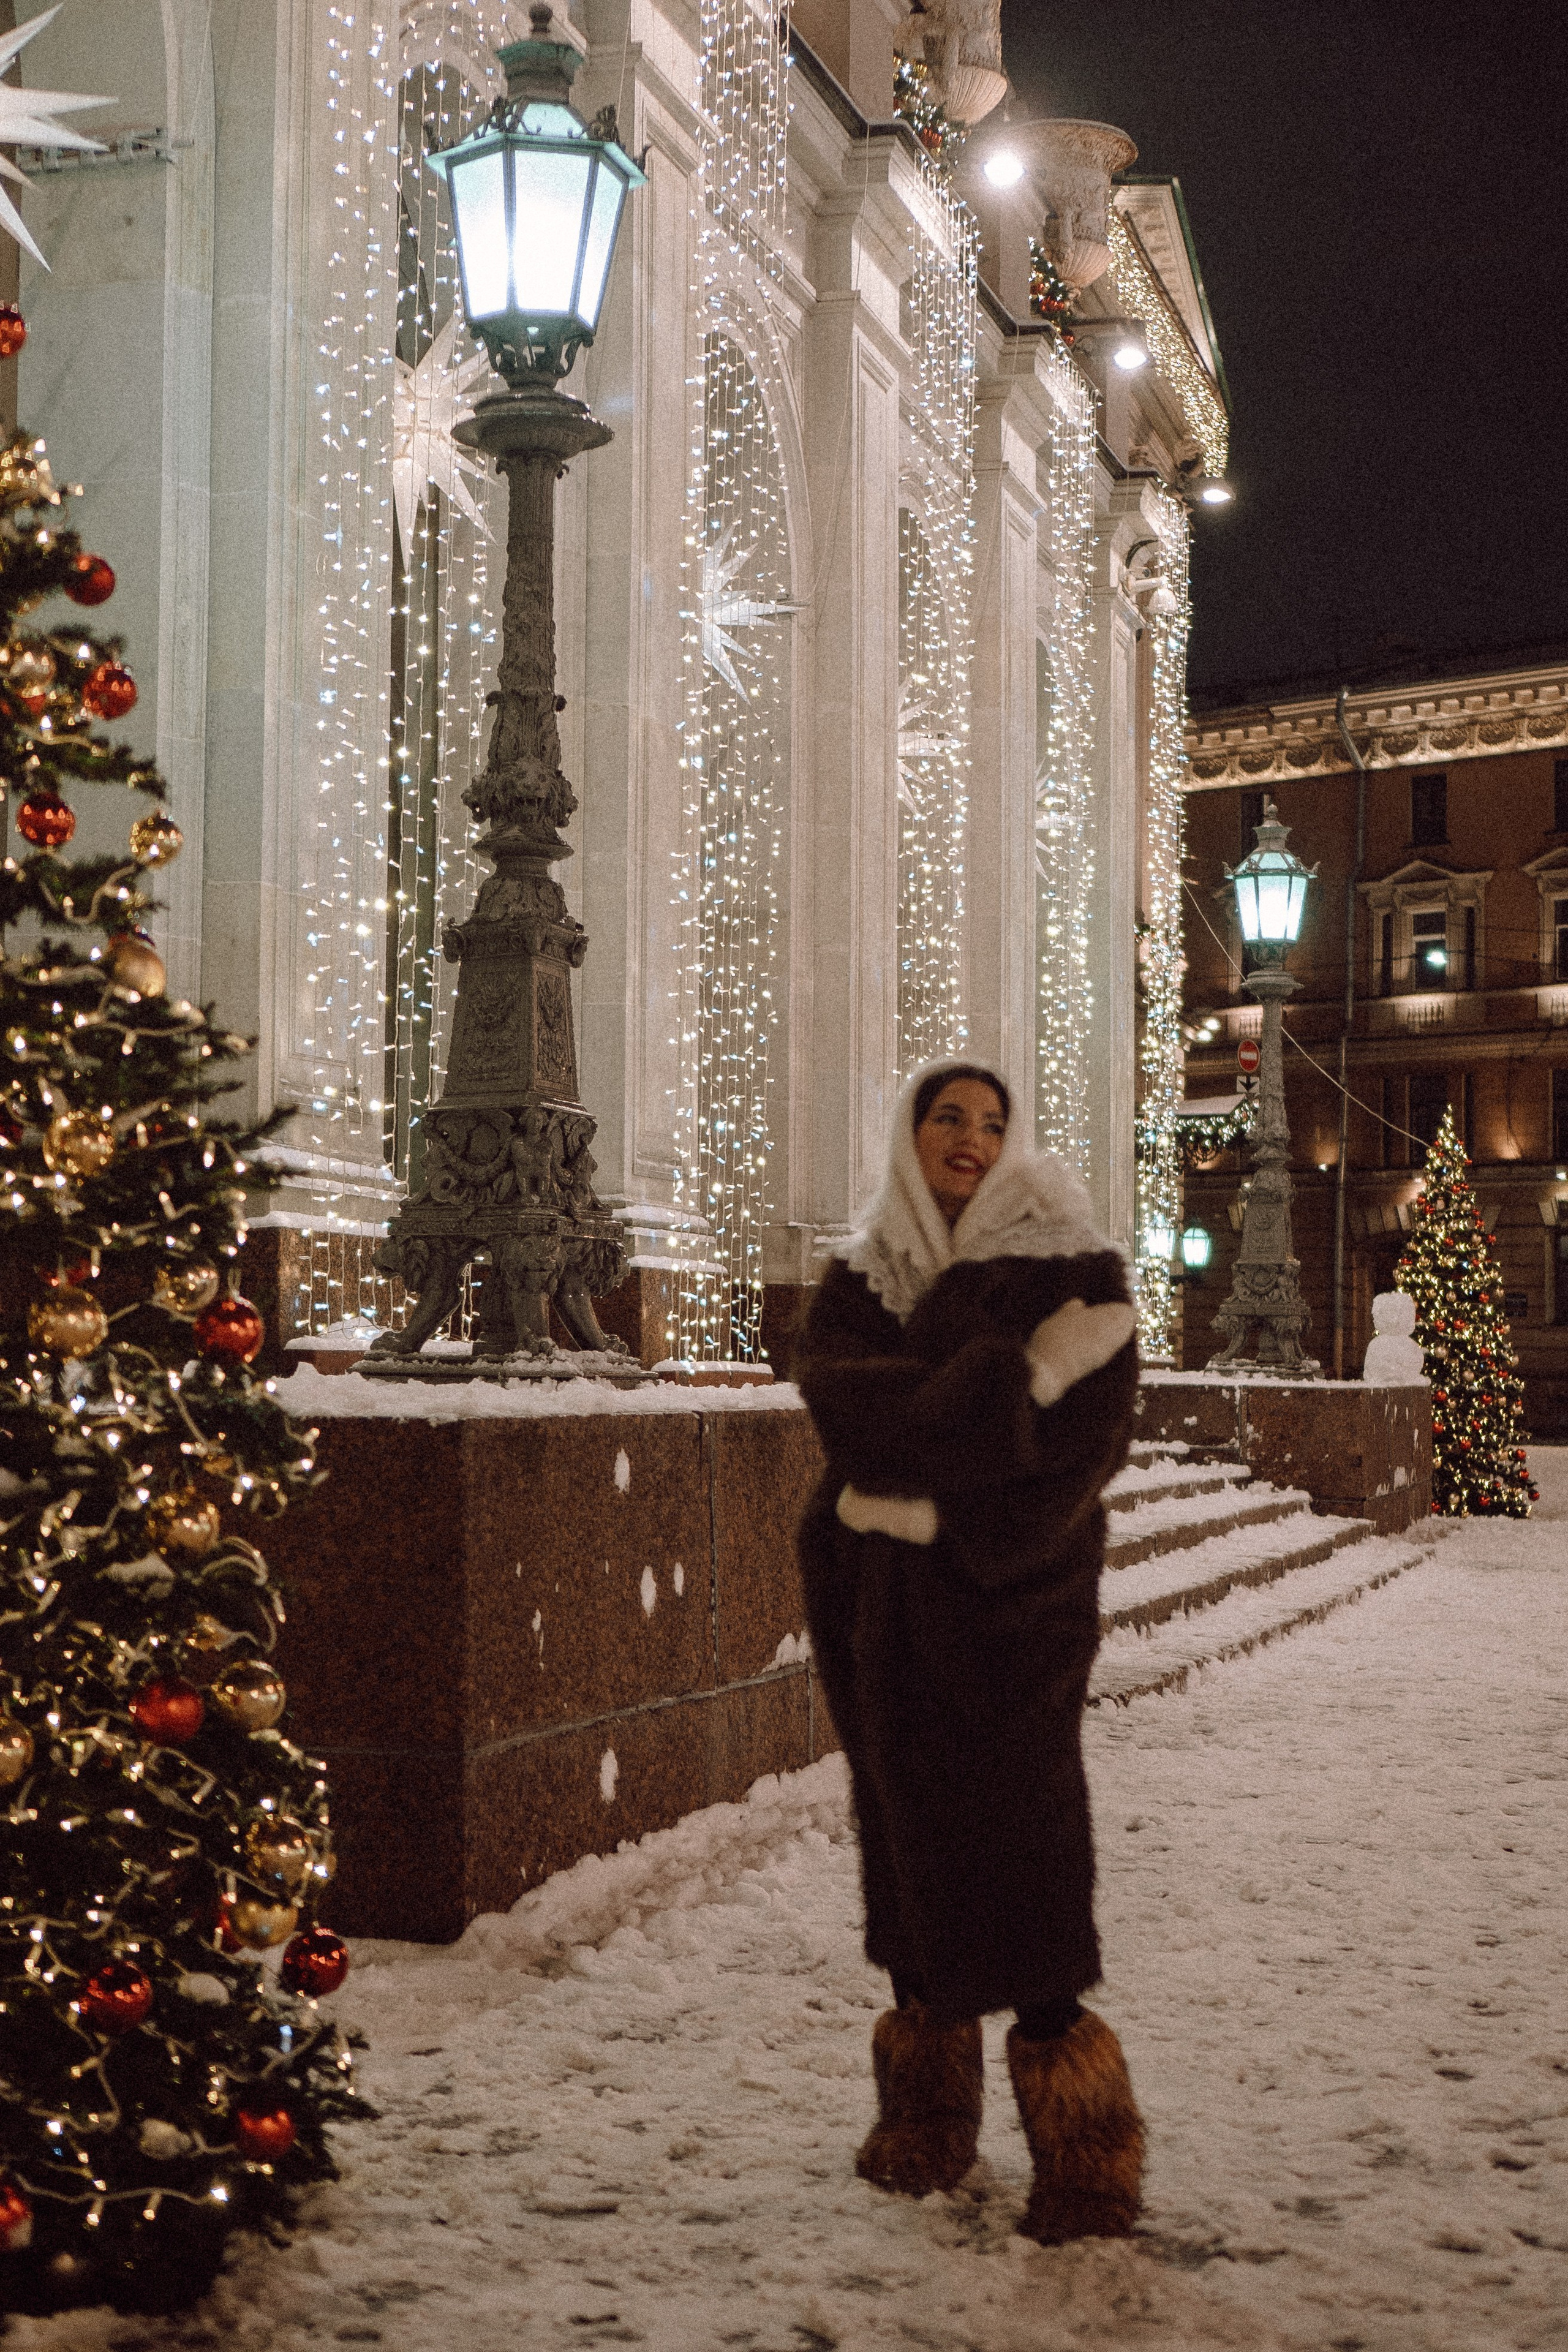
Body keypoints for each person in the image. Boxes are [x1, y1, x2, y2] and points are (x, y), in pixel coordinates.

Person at [794, 1055, 1144, 2243]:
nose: (969, 1138)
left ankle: (1085, 2149)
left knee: (1026, 1857)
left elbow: (1082, 1448)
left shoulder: (1069, 1261)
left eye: (991, 1123)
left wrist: (931, 1490)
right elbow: (849, 1410)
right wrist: (1010, 1383)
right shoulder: (862, 1274)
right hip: (882, 1619)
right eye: (946, 1117)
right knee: (906, 1850)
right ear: (909, 1132)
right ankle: (924, 2119)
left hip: (1014, 1608)